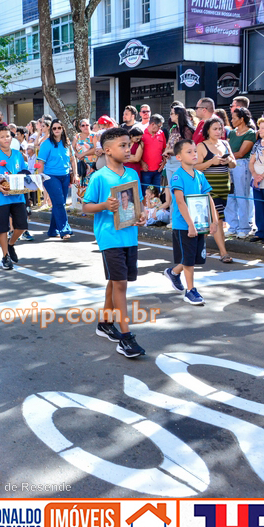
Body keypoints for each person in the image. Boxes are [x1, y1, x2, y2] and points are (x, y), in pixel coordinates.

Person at [82, 127, 147, 357]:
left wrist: (142, 216)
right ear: (107, 150)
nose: (128, 149)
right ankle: (126, 338)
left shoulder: (132, 175)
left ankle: (105, 323)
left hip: (129, 236)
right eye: (123, 145)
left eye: (129, 145)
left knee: (115, 280)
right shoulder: (99, 177)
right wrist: (103, 206)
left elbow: (138, 204)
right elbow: (86, 206)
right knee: (121, 284)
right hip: (109, 237)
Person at [164, 139, 219, 306]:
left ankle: (173, 273)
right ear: (179, 157)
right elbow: (180, 202)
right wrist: (190, 224)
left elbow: (208, 198)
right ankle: (190, 290)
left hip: (199, 223)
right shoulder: (177, 176)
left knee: (193, 257)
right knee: (188, 259)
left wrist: (214, 220)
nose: (194, 154)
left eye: (195, 151)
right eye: (189, 152)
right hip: (184, 225)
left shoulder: (200, 175)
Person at [0, 125, 30, 270]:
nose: (5, 139)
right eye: (2, 137)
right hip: (0, 197)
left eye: (8, 136)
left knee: (22, 226)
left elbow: (23, 172)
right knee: (2, 228)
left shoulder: (17, 154)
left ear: (12, 137)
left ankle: (11, 244)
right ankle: (5, 256)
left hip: (17, 196)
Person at [195, 117, 235, 262]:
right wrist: (211, 162)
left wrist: (228, 160)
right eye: (215, 129)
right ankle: (223, 253)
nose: (218, 131)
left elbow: (234, 164)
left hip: (224, 187)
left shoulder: (225, 143)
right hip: (209, 188)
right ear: (208, 131)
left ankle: (197, 247)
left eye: (220, 129)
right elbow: (196, 166)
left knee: (211, 220)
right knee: (217, 218)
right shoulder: (201, 146)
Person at [36, 119, 78, 240]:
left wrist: (75, 174)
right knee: (59, 203)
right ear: (51, 130)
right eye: (54, 128)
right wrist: (41, 178)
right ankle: (65, 230)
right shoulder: (46, 144)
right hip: (50, 177)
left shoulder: (67, 143)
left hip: (65, 176)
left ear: (62, 129)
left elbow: (73, 160)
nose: (57, 130)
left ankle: (52, 230)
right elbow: (41, 162)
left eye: (59, 127)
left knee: (59, 203)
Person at [225, 107, 257, 238]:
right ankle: (233, 226)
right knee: (230, 195)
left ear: (242, 119)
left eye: (234, 118)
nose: (232, 121)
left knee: (242, 195)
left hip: (242, 164)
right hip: (229, 164)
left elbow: (242, 153)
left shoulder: (250, 133)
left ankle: (244, 227)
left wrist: (227, 157)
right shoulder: (232, 133)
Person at [141, 114, 166, 189]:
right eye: (159, 126)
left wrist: (164, 161)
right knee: (145, 192)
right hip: (145, 170)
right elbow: (136, 151)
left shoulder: (161, 133)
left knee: (157, 192)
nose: (160, 128)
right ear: (152, 124)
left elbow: (164, 149)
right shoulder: (142, 134)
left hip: (158, 170)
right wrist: (142, 163)